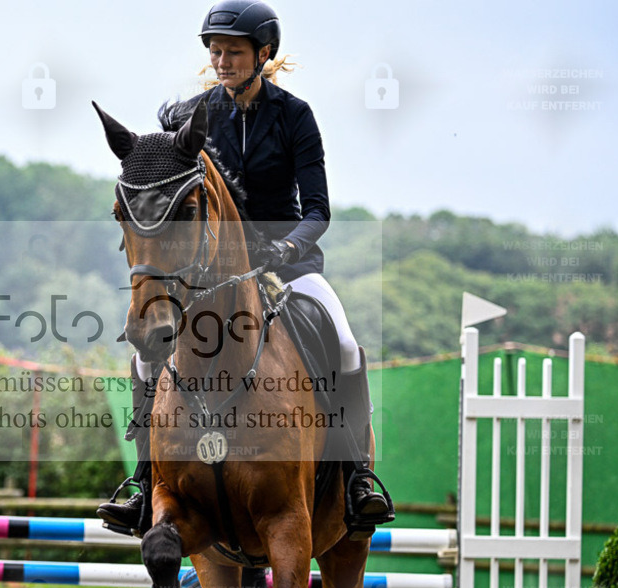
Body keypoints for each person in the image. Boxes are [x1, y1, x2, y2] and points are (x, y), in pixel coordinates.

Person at [97, 0, 395, 539]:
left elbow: (319, 210)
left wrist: (284, 248)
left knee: (347, 343)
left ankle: (357, 477)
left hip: (291, 263)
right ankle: (144, 480)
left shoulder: (295, 116)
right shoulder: (193, 115)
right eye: (215, 50)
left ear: (263, 54)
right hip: (210, 271)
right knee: (146, 357)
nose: (221, 60)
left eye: (232, 51)